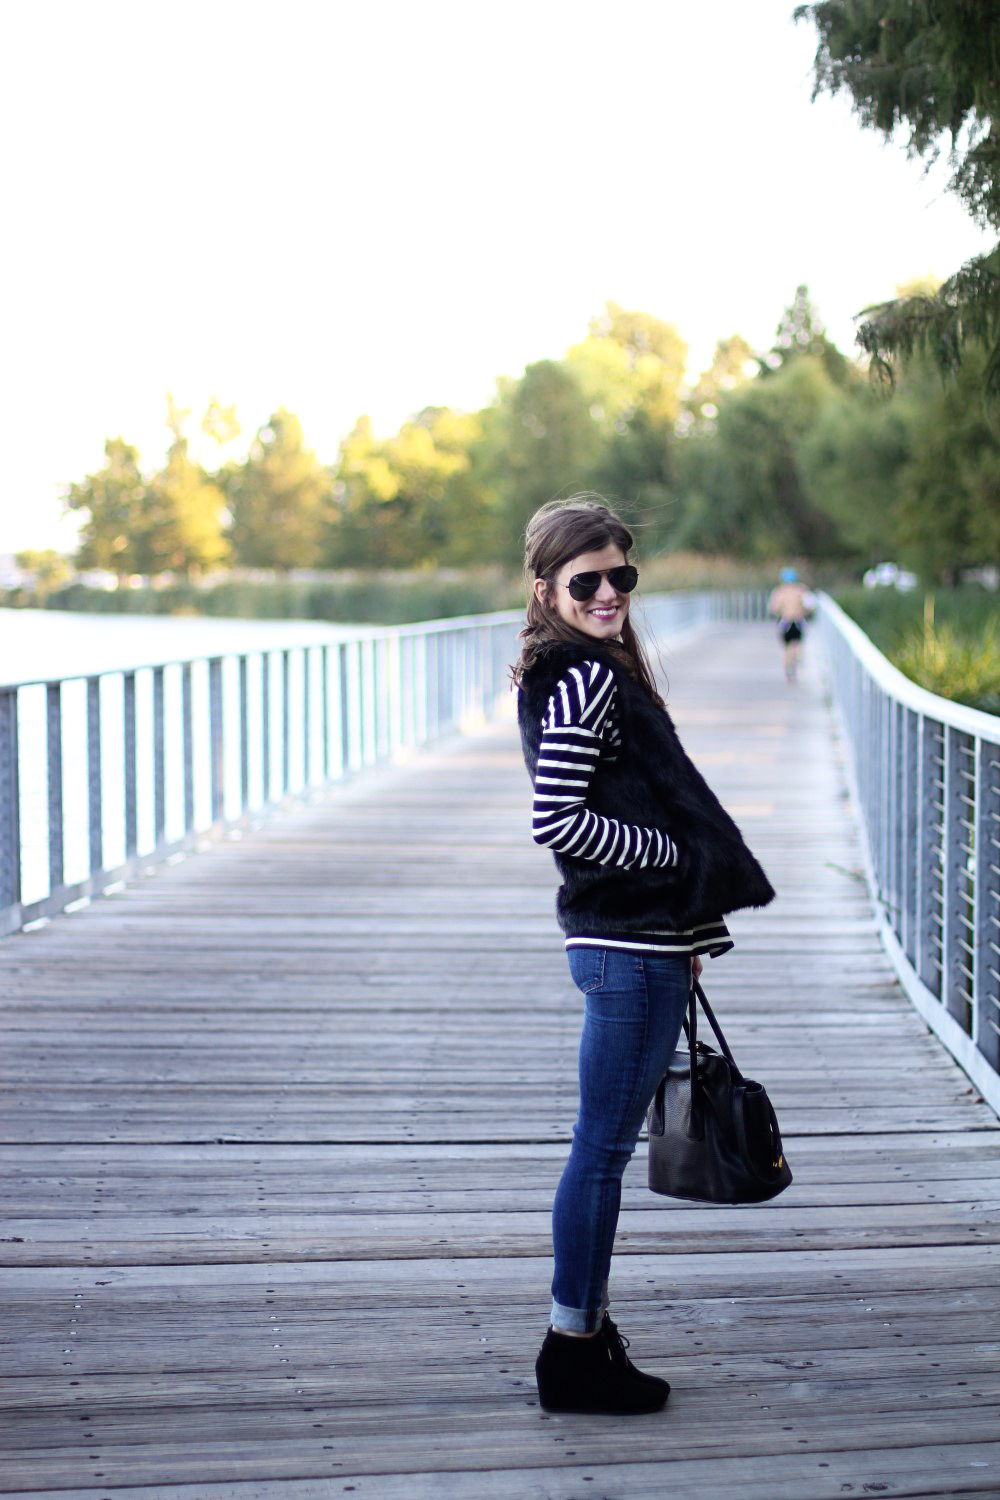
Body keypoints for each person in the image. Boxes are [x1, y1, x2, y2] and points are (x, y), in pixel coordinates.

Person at [513, 495, 775, 1417]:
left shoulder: (579, 670)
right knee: (598, 1154)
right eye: (587, 581)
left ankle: (588, 1333)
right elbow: (558, 820)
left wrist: (691, 930)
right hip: (625, 948)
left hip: (638, 943)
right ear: (546, 588)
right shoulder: (584, 679)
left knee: (601, 1151)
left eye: (622, 575)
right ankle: (570, 1348)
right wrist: (673, 861)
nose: (609, 593)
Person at [768, 566, 814, 682]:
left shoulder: (779, 592)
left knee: (787, 647)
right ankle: (796, 661)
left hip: (785, 622)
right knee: (797, 644)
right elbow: (810, 606)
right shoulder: (802, 590)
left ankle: (788, 667)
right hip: (799, 621)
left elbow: (773, 609)